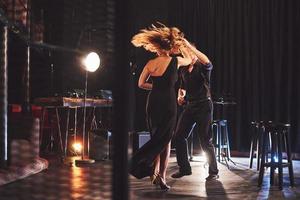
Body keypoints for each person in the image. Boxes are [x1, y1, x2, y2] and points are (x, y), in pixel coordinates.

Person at [129, 24, 192, 190]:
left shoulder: (151, 63)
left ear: (157, 47)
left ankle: (153, 172)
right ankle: (161, 177)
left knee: (157, 138)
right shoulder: (175, 60)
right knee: (165, 140)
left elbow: (141, 84)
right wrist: (183, 45)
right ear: (169, 47)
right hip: (169, 103)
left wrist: (156, 87)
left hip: (153, 103)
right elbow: (191, 60)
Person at [171, 39, 219, 181]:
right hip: (190, 106)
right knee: (179, 136)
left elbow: (208, 62)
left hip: (204, 105)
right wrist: (180, 96)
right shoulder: (184, 69)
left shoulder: (202, 66)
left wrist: (188, 46)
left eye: (188, 51)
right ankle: (184, 168)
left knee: (205, 140)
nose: (186, 54)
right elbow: (182, 87)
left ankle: (213, 172)